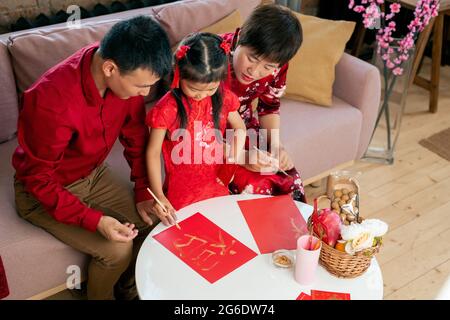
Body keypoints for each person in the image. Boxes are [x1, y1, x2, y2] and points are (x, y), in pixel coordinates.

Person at [12, 16, 172, 300]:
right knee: (117, 250)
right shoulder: (51, 100)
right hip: (42, 192)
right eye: (141, 86)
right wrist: (96, 221)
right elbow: (38, 179)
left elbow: (135, 137)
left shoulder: (122, 68)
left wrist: (142, 190)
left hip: (93, 173)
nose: (145, 94)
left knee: (153, 222)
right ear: (110, 68)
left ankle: (129, 290)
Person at [146, 32, 246, 224]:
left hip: (216, 181)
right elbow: (152, 152)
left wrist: (233, 157)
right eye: (194, 88)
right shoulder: (167, 109)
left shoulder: (222, 98)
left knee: (222, 231)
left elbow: (240, 128)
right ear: (178, 74)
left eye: (210, 89)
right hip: (181, 190)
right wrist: (158, 195)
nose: (201, 95)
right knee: (188, 235)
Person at [221, 3, 307, 202]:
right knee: (254, 189)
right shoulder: (213, 59)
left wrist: (276, 146)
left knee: (289, 182)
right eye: (252, 58)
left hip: (242, 127)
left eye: (267, 66)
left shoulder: (277, 65)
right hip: (202, 135)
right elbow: (192, 130)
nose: (255, 71)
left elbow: (269, 106)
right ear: (240, 37)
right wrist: (241, 157)